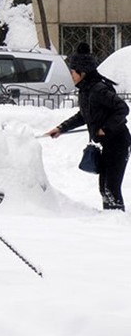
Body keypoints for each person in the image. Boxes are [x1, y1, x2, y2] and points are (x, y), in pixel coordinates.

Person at [46, 43, 131, 211]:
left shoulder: (98, 89)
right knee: (104, 188)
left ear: (82, 73)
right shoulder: (85, 90)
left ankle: (117, 222)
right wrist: (61, 128)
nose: (71, 75)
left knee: (111, 188)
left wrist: (104, 129)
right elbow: (83, 115)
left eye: (73, 72)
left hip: (118, 142)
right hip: (105, 144)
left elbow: (123, 109)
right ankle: (110, 219)